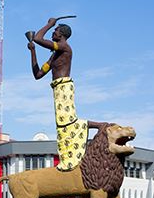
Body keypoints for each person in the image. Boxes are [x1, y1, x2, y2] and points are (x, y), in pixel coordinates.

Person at [28, 18, 101, 171]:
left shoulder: (64, 48)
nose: (53, 32)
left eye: (55, 31)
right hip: (57, 89)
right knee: (63, 124)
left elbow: (38, 38)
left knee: (67, 121)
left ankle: (99, 125)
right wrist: (33, 51)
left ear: (61, 34)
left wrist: (50, 24)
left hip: (64, 87)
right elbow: (38, 74)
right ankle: (69, 155)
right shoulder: (55, 54)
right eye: (53, 30)